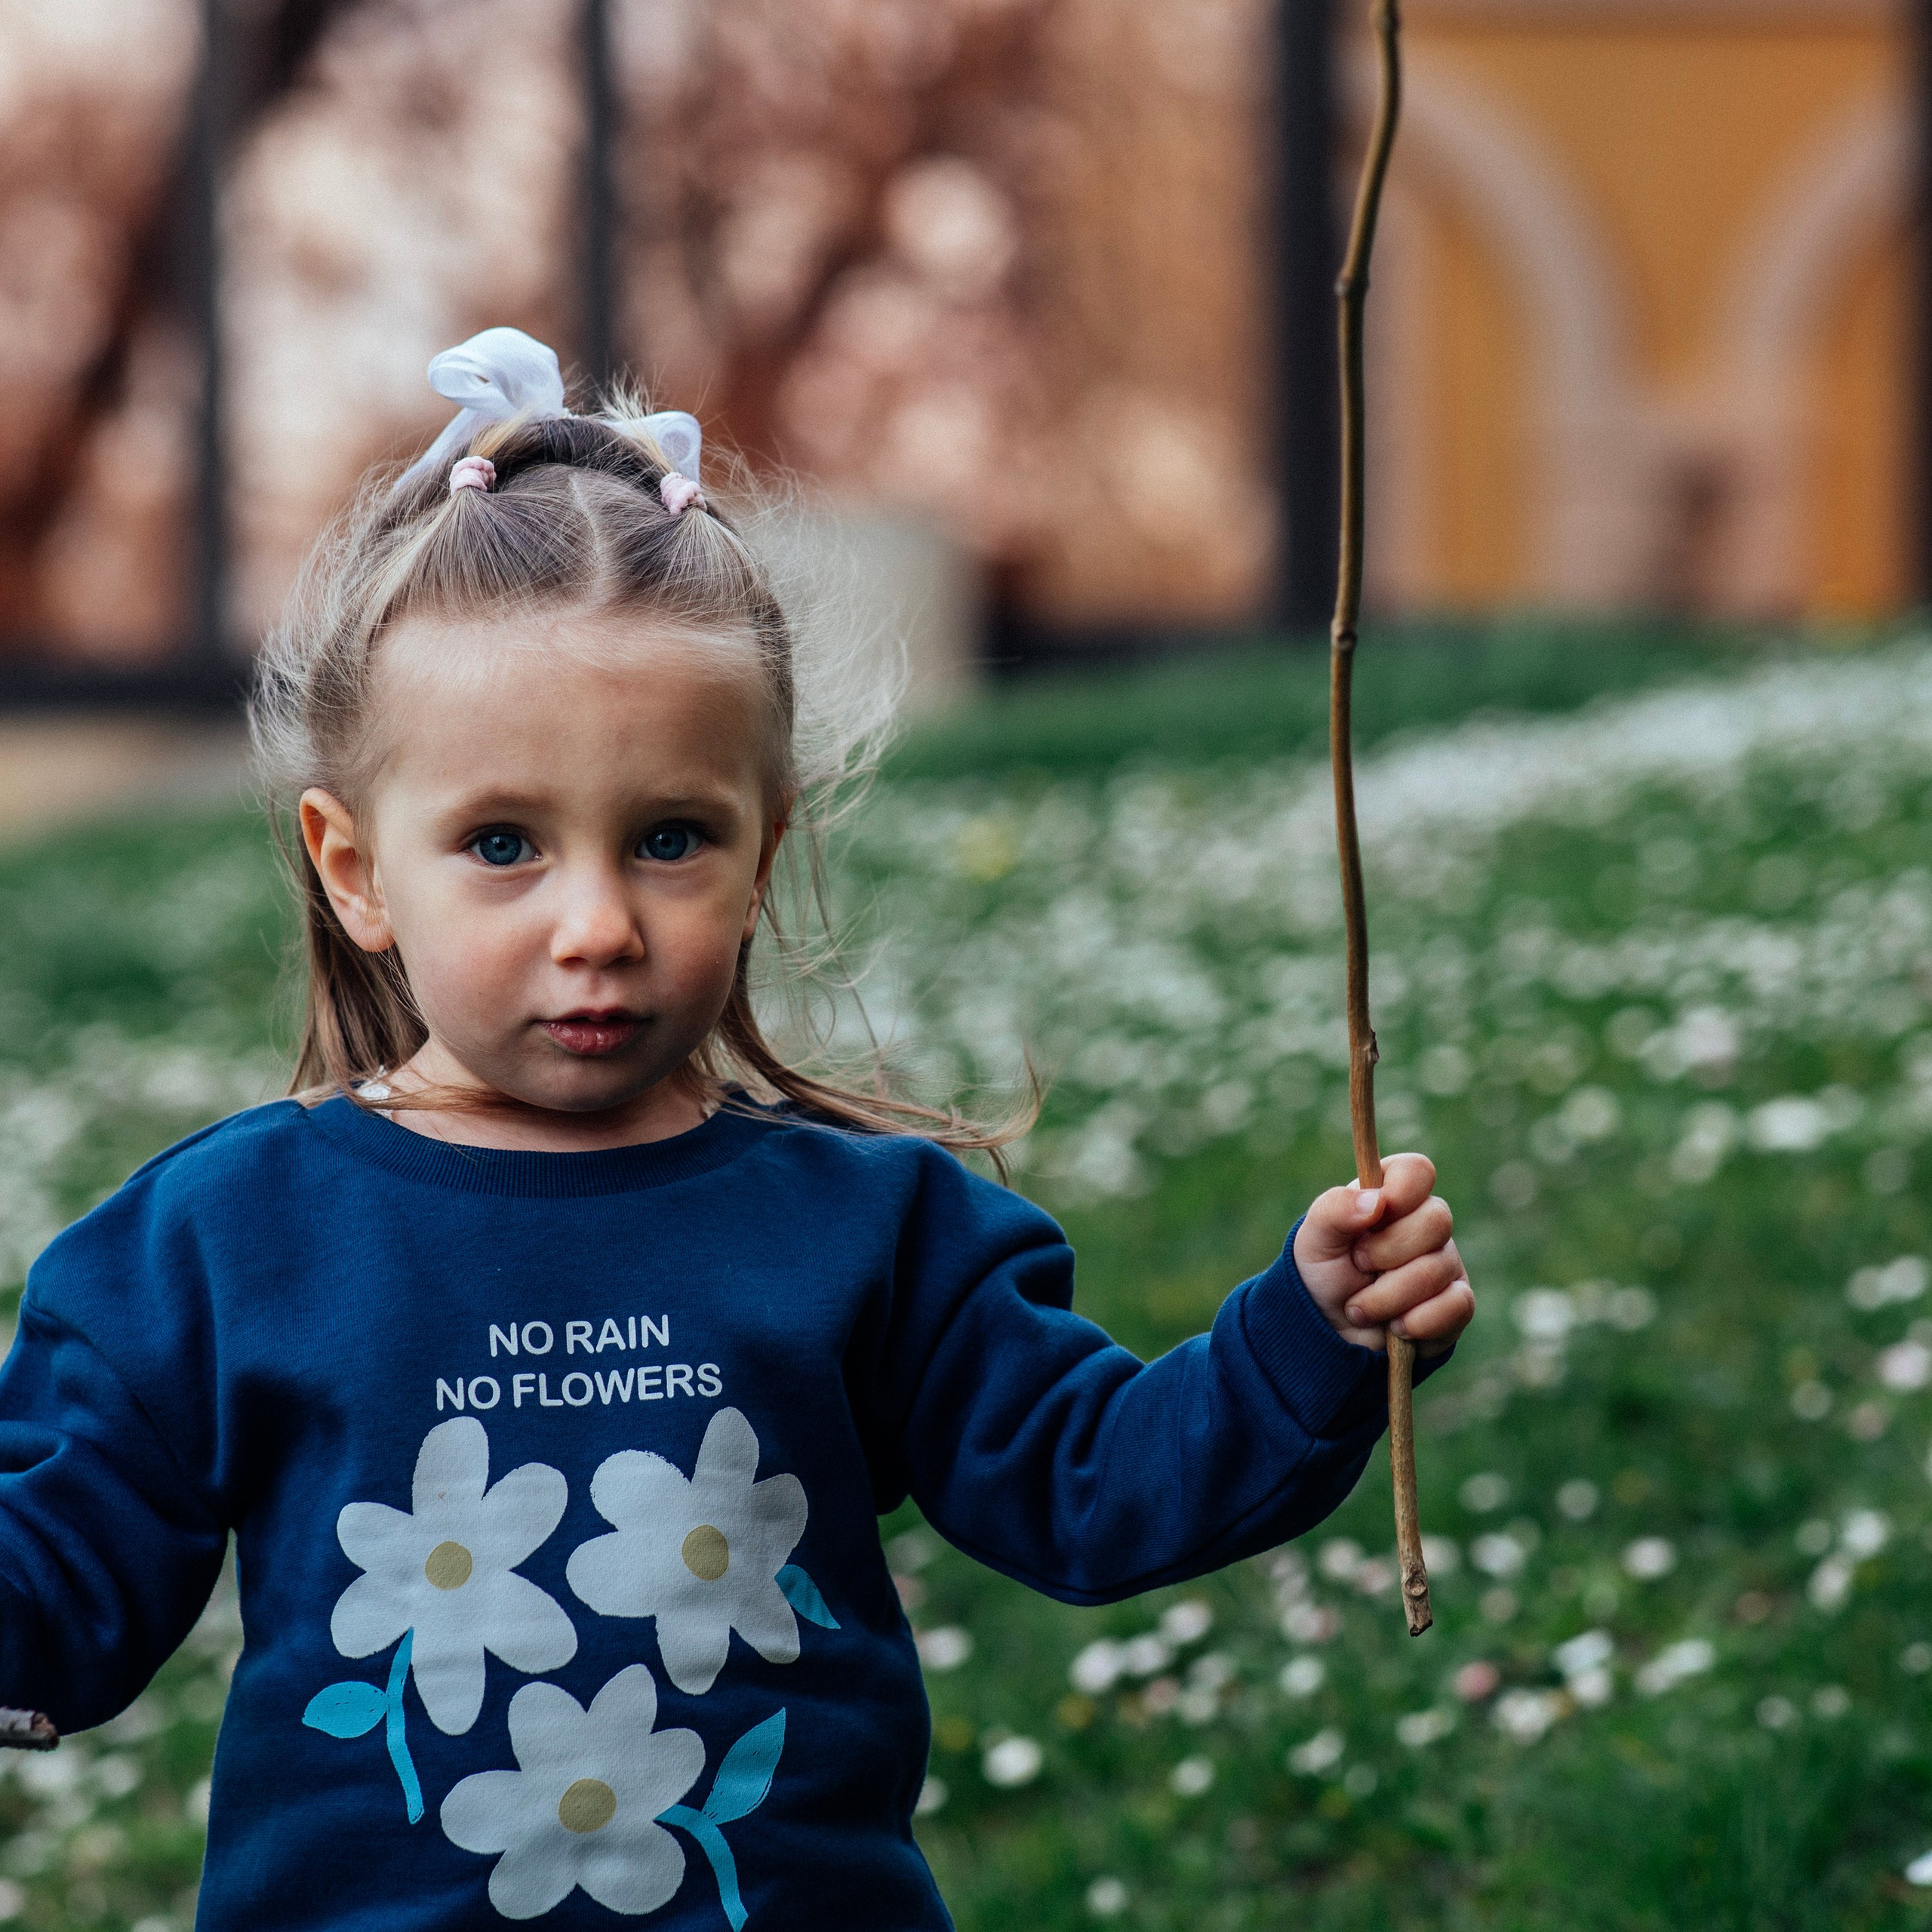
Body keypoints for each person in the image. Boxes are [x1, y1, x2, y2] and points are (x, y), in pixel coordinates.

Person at [0, 329, 1473, 1928]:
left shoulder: (868, 1228)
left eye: (668, 838)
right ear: (354, 866)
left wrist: (1307, 1338)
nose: (596, 922)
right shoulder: (217, 1244)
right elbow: (60, 1589)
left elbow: (1092, 1480)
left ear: (762, 847)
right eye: (501, 841)